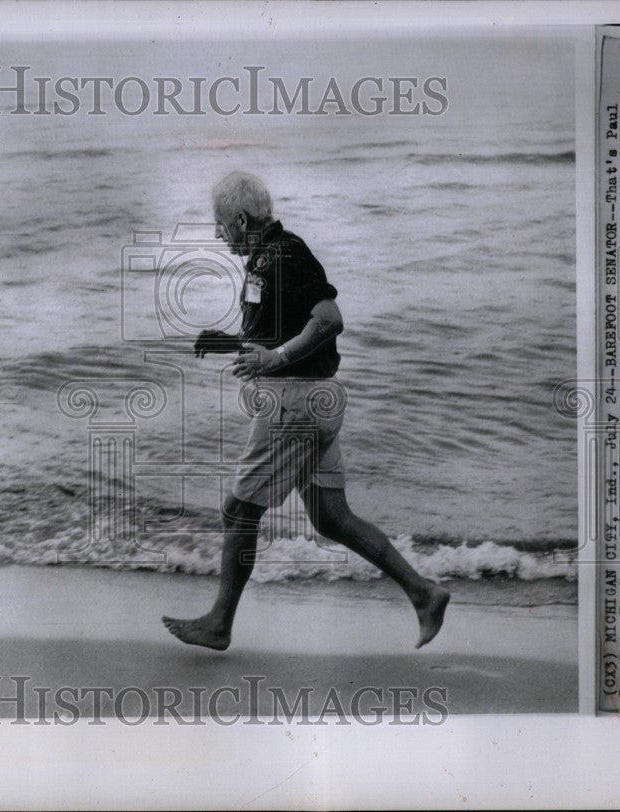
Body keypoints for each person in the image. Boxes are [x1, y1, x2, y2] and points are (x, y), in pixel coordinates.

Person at [162, 171, 450, 651]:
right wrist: (234, 341)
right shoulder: (271, 255)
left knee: (238, 510)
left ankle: (218, 624)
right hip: (315, 399)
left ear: (240, 218)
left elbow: (329, 320)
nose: (217, 234)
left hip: (293, 402)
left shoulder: (284, 255)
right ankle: (423, 593)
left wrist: (274, 360)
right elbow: (289, 330)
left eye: (219, 224)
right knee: (331, 516)